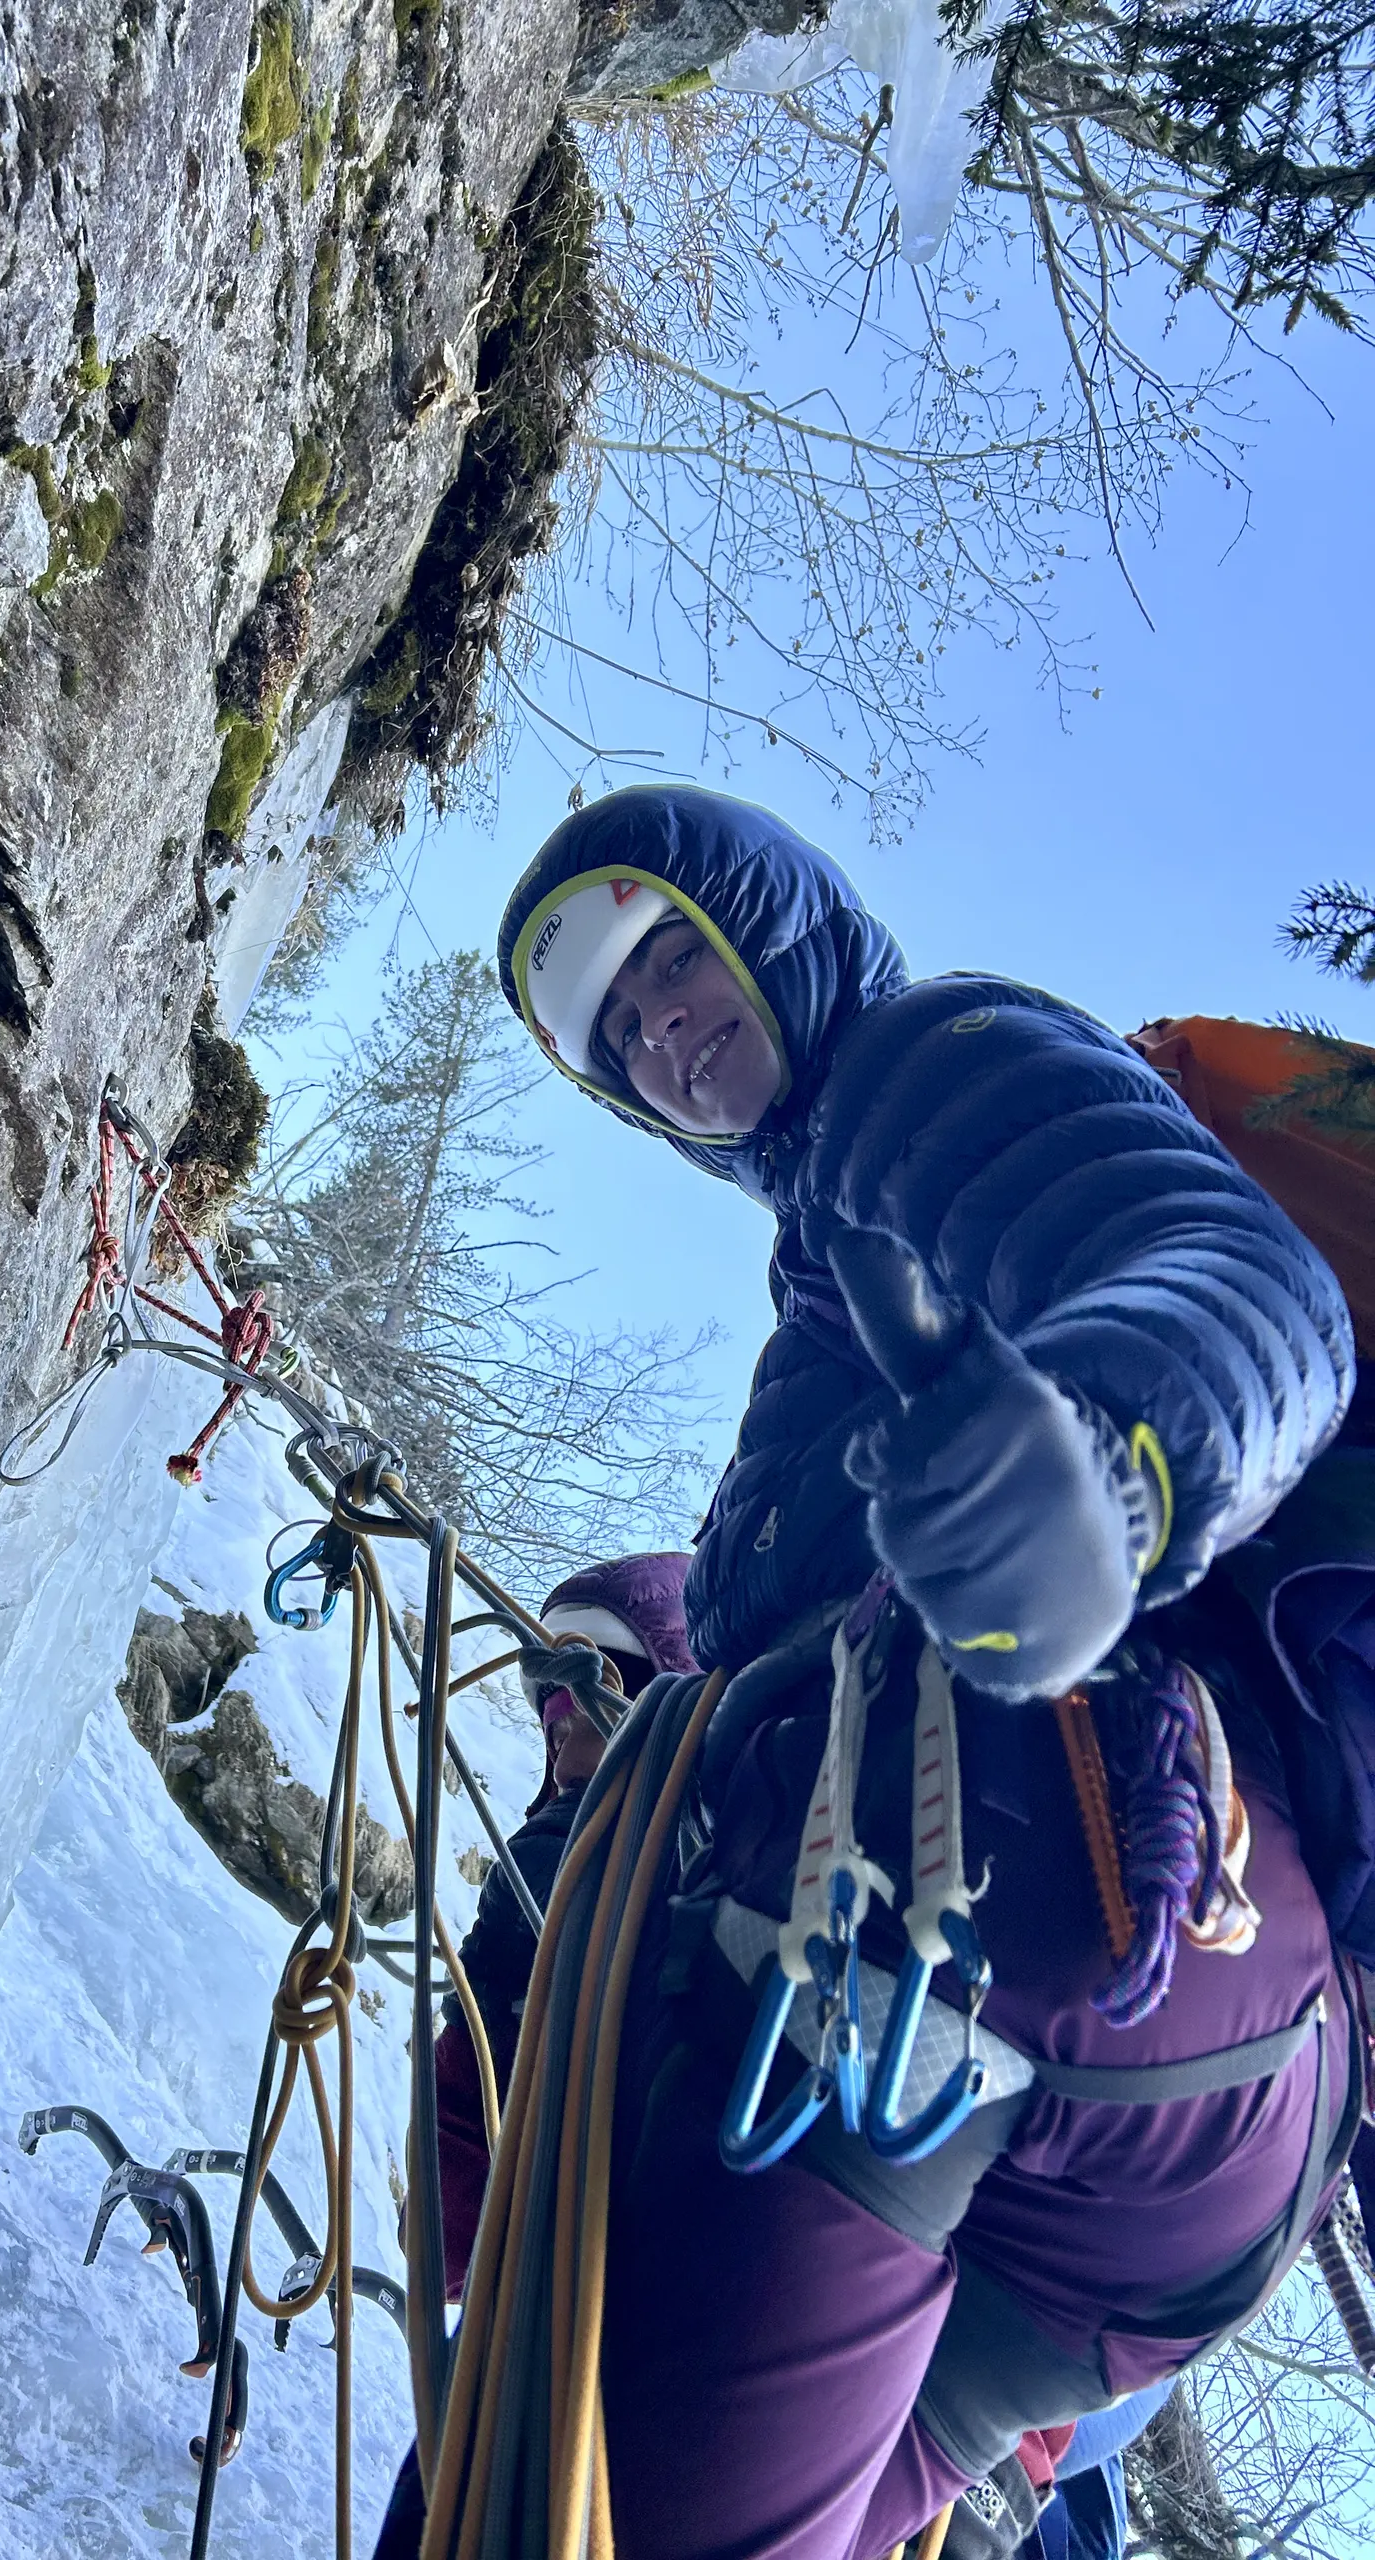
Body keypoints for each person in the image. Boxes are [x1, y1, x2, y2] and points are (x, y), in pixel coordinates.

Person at [468, 787, 1362, 2560]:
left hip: (1040, 1906)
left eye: (664, 954)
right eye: (618, 1037)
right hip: (1172, 2116)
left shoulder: (920, 1061)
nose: (658, 1027)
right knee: (528, 2434)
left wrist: (1111, 1469)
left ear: (767, 916)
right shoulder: (835, 1263)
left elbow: (1243, 1284)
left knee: (564, 2466)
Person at [435, 1552, 698, 2298]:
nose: (568, 1756)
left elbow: (450, 2240)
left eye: (601, 1719)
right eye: (557, 1729)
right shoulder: (539, 1879)